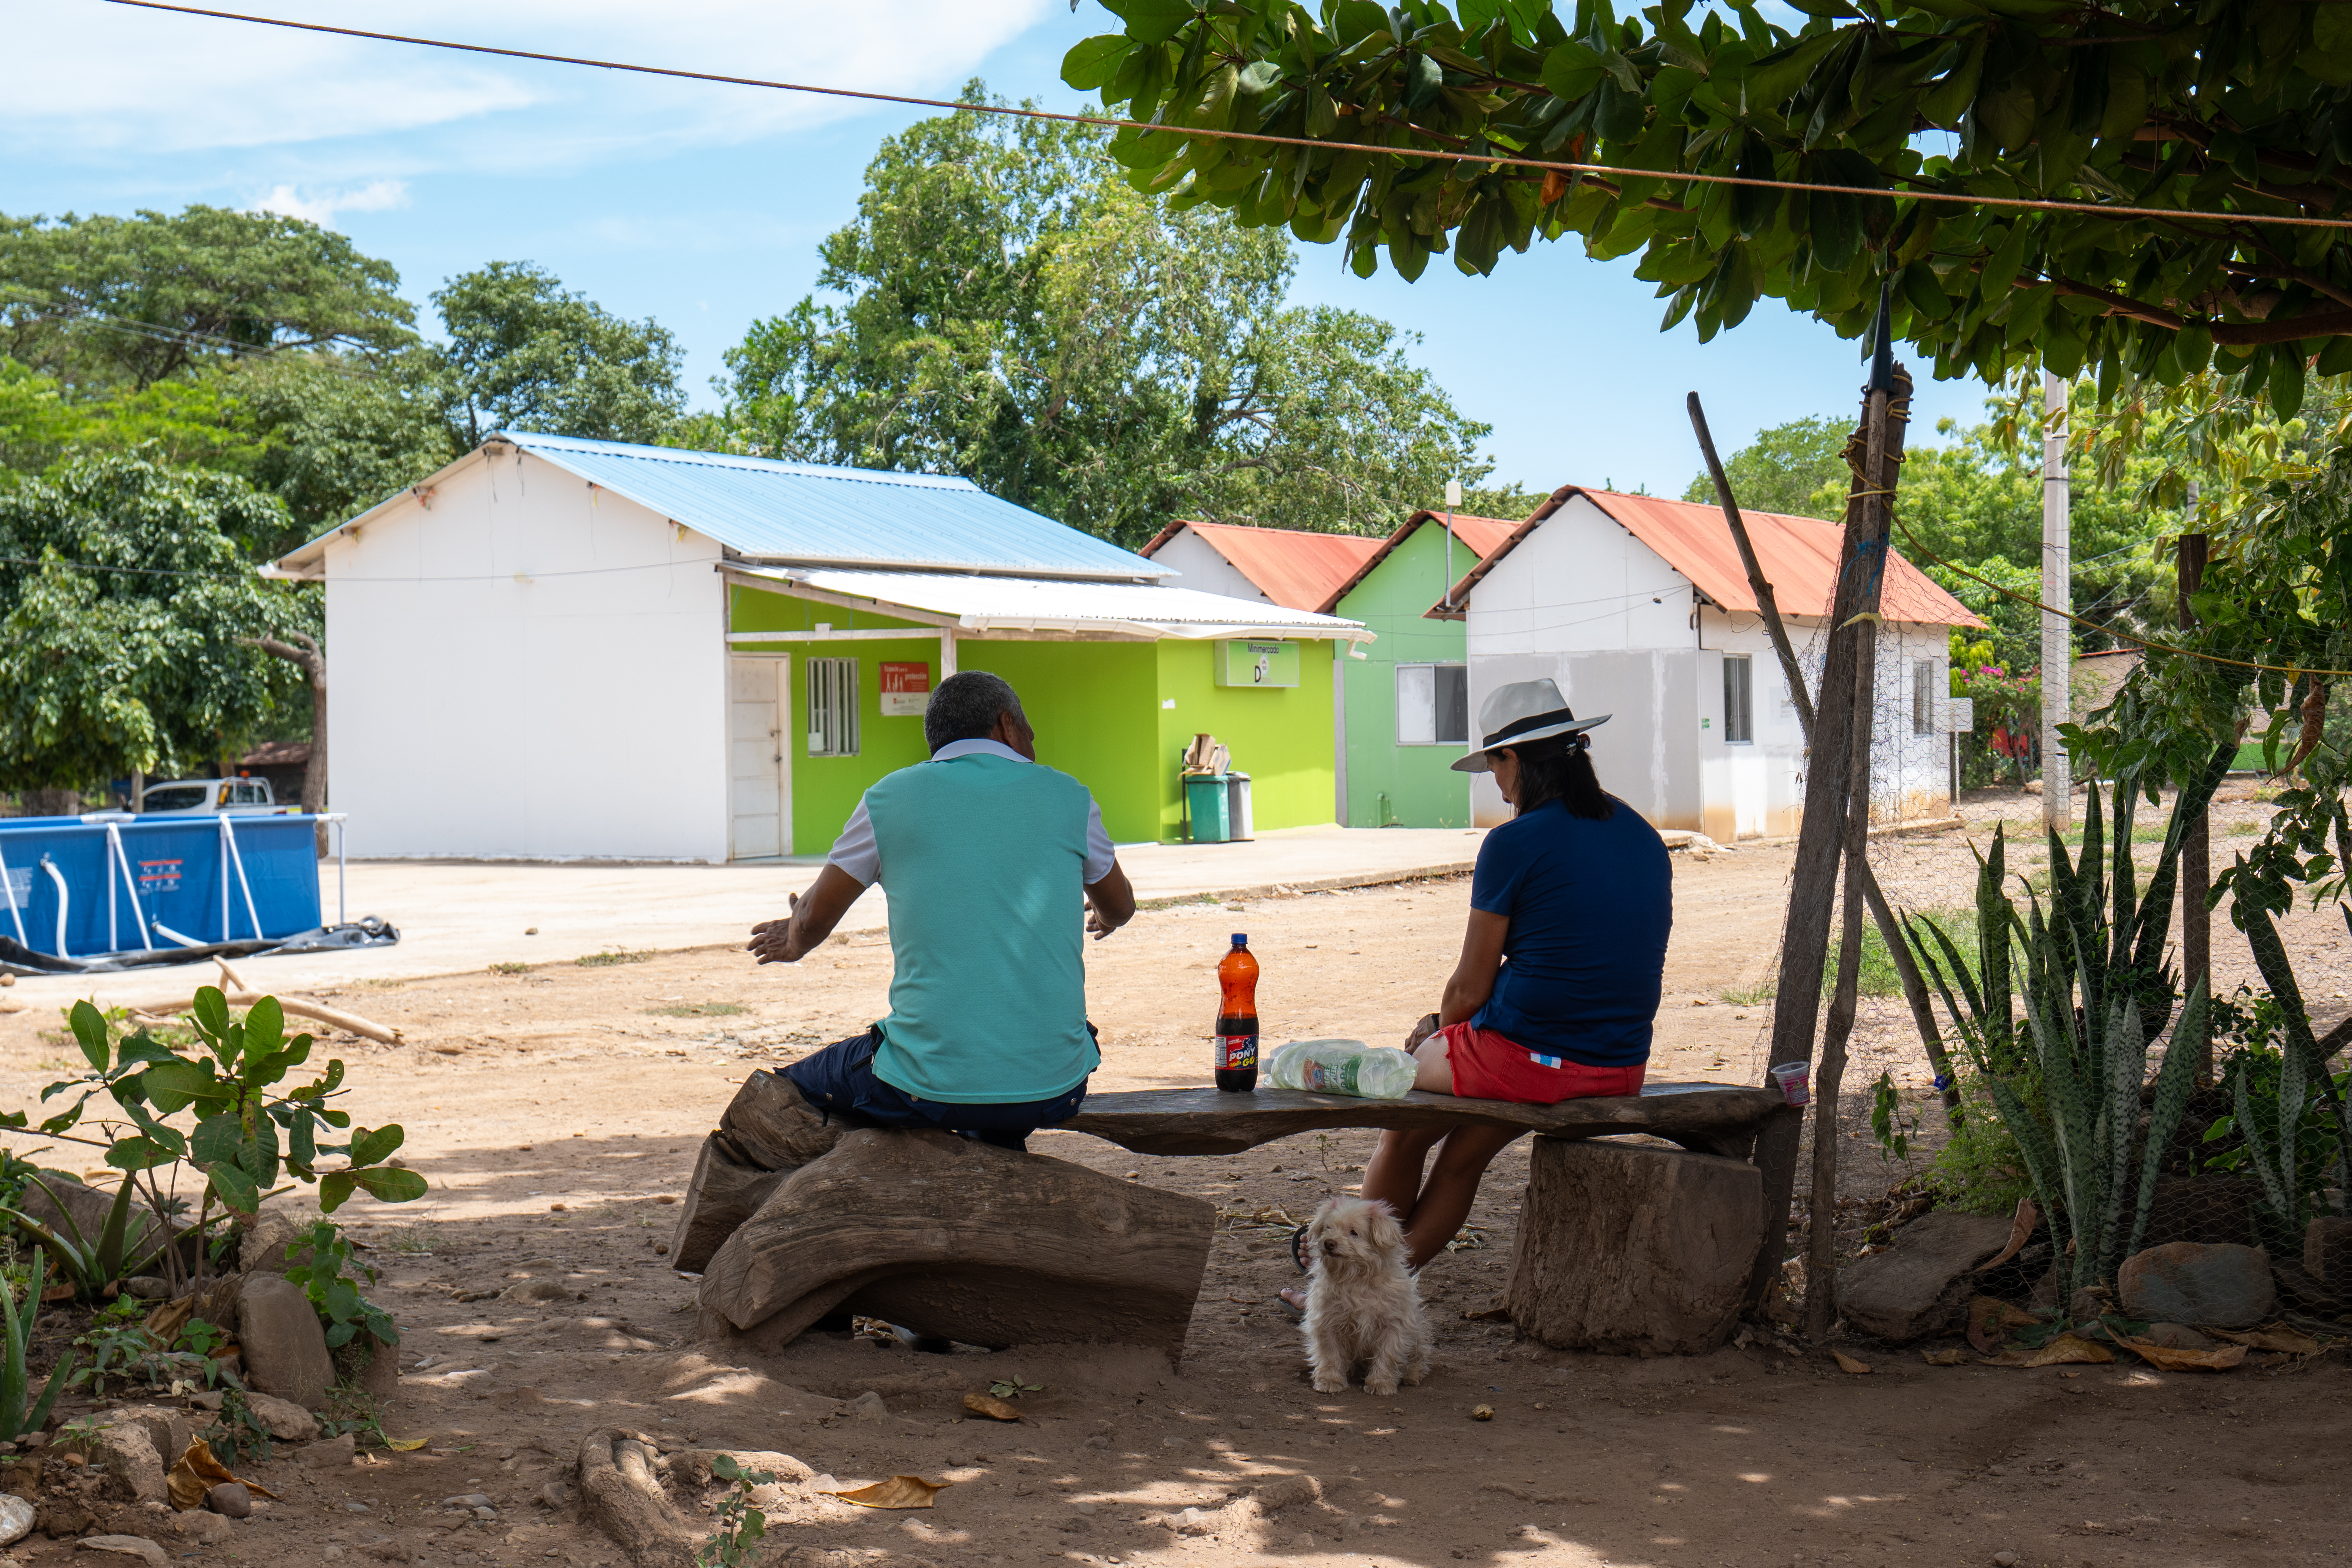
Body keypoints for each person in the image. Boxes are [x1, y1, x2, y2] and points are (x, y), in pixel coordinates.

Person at [1282, 678, 1671, 1309]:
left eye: (1493, 764)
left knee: (1404, 1118)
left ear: (1512, 758)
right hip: (1618, 1064)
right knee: (1463, 1151)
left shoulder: (1514, 842)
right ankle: (1380, 1287)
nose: (1494, 782)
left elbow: (1469, 984)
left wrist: (1437, 1026)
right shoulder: (1638, 831)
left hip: (1530, 1057)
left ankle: (1345, 1289)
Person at [747, 671, 1136, 1151]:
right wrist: (1105, 915)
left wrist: (792, 938)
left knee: (793, 1087)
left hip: (924, 1084)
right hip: (1056, 1085)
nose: (1033, 742)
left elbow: (812, 918)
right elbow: (1121, 904)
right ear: (1006, 725)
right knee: (989, 1107)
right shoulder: (1070, 797)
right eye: (1029, 730)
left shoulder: (888, 799)